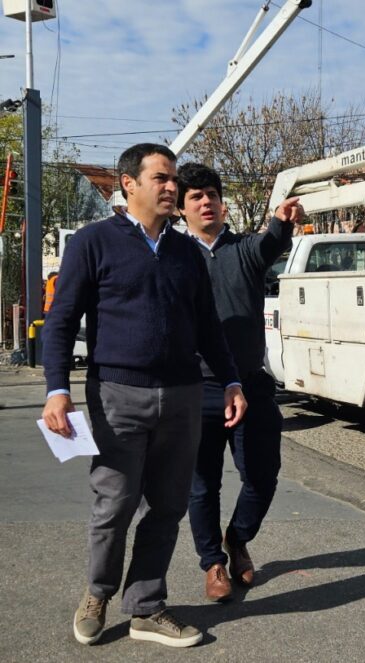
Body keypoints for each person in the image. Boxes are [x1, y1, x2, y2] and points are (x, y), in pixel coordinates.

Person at [41, 143, 247, 649]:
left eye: (173, 178)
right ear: (128, 184)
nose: (172, 186)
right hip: (116, 396)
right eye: (162, 177)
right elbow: (62, 320)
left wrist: (233, 381)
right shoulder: (93, 242)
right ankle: (98, 593)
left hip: (181, 396)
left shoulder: (186, 252)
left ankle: (147, 607)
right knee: (115, 501)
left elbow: (208, 328)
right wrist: (57, 390)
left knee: (168, 505)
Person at [177, 162, 301, 602]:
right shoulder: (174, 254)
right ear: (182, 209)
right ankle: (213, 563)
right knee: (202, 484)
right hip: (196, 389)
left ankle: (238, 538)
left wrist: (280, 223)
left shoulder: (243, 250)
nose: (206, 201)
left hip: (249, 383)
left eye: (211, 194)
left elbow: (270, 244)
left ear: (223, 204)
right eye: (196, 196)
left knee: (263, 475)